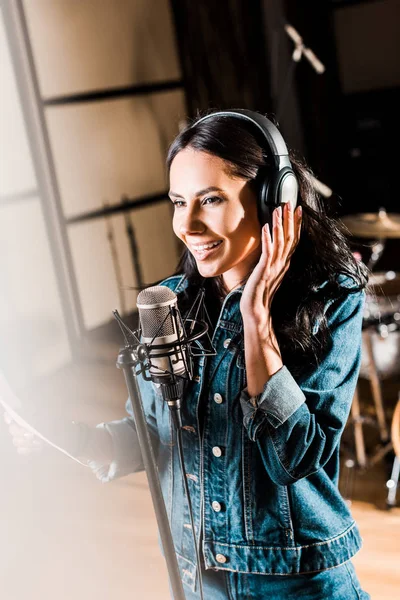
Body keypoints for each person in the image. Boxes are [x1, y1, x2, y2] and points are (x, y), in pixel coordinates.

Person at [4, 110, 370, 599]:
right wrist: (62, 437)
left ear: (273, 200)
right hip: (199, 581)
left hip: (298, 582)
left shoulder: (332, 299)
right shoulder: (168, 303)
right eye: (179, 202)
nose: (188, 225)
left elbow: (295, 459)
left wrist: (255, 314)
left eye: (211, 200)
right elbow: (150, 437)